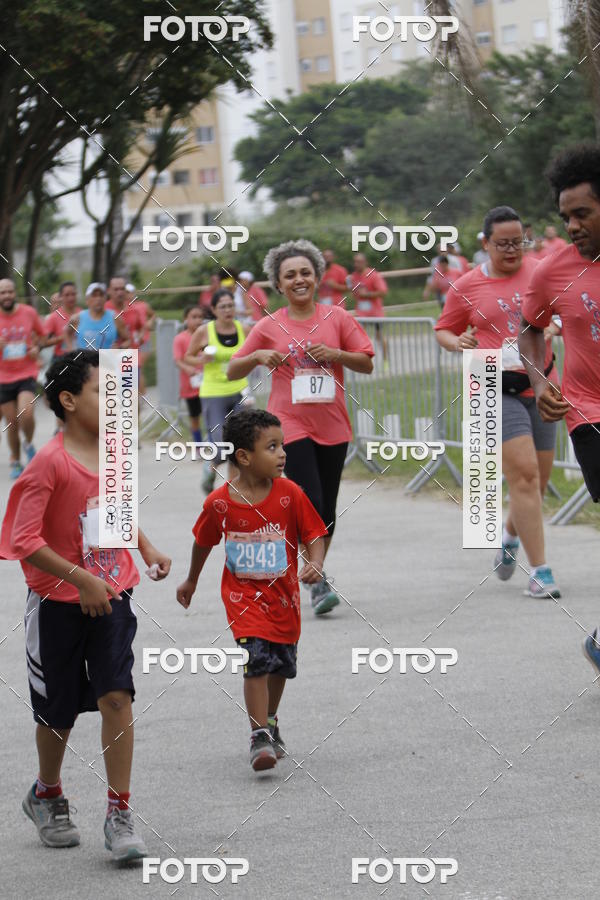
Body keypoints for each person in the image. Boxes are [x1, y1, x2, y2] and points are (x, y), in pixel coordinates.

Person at [0, 350, 171, 860]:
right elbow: (22, 539)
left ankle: (119, 811)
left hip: (114, 594)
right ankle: (47, 792)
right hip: (58, 604)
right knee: (58, 715)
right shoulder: (47, 464)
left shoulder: (116, 450)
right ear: (70, 400)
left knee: (117, 697)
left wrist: (145, 546)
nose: (119, 404)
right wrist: (79, 579)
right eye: (106, 392)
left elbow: (113, 510)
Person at [227, 239, 374, 615]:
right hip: (287, 423)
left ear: (317, 278)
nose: (298, 279)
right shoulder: (268, 324)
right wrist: (258, 354)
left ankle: (310, 569)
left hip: (333, 423)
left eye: (305, 273)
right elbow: (233, 368)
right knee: (309, 496)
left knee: (326, 510)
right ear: (278, 284)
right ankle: (317, 580)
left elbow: (366, 362)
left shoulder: (338, 318)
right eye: (289, 275)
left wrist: (337, 354)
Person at [176, 409, 327, 771]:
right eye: (271, 447)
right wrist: (192, 579)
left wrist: (316, 563)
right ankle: (259, 734)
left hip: (284, 599)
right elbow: (203, 542)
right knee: (255, 660)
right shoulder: (220, 503)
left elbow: (314, 534)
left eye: (282, 445)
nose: (282, 454)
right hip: (243, 600)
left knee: (281, 665)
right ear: (243, 457)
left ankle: (271, 718)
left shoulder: (290, 494)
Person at [435, 205, 561, 599]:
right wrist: (458, 341)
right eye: (502, 243)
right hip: (490, 384)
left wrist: (554, 326)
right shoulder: (467, 285)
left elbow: (562, 313)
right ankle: (540, 571)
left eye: (518, 242)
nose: (512, 250)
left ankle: (509, 536)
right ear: (485, 243)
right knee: (523, 476)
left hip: (540, 384)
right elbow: (444, 329)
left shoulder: (541, 273)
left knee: (538, 483)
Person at [517, 144, 600, 666]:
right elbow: (528, 330)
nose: (571, 225)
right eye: (565, 216)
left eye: (582, 213)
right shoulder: (552, 271)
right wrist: (539, 378)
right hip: (589, 410)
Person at [185, 289, 251, 493]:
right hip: (213, 392)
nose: (227, 310)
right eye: (222, 306)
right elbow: (188, 356)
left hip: (240, 389)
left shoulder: (244, 329)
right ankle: (210, 468)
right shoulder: (205, 331)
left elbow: (252, 353)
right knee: (221, 445)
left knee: (240, 442)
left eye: (231, 305)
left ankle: (232, 488)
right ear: (213, 310)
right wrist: (201, 360)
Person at [0, 278, 45, 478]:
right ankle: (16, 461)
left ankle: (28, 442)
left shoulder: (28, 313)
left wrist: (37, 348)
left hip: (26, 372)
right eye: (2, 293)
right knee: (11, 423)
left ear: (15, 293)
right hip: (3, 377)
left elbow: (43, 336)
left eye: (9, 292)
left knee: (26, 414)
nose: (7, 296)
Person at [347, 252, 388, 363]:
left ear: (365, 263)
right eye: (355, 262)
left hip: (375, 313)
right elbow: (354, 294)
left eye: (359, 262)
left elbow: (383, 292)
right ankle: (364, 360)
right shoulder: (353, 277)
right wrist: (356, 293)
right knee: (359, 337)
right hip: (361, 313)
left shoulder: (373, 275)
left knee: (379, 337)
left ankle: (385, 361)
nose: (356, 264)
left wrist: (367, 295)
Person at [173, 306, 205, 445]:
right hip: (190, 386)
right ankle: (198, 446)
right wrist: (188, 368)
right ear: (186, 319)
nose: (198, 320)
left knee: (210, 415)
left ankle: (213, 444)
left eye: (200, 317)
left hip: (208, 384)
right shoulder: (180, 338)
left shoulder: (206, 336)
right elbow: (177, 360)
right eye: (194, 317)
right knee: (195, 417)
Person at [71, 283, 129, 351]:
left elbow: (128, 340)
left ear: (105, 299)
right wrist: (71, 351)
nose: (98, 299)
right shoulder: (77, 318)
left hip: (108, 360)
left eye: (101, 295)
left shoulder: (115, 318)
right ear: (87, 300)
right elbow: (66, 333)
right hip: (84, 360)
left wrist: (120, 348)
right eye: (94, 296)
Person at [43, 281, 81, 357]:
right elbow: (43, 342)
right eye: (67, 295)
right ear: (61, 297)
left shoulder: (83, 314)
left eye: (73, 294)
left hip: (81, 357)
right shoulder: (54, 317)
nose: (71, 298)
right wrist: (62, 337)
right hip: (62, 358)